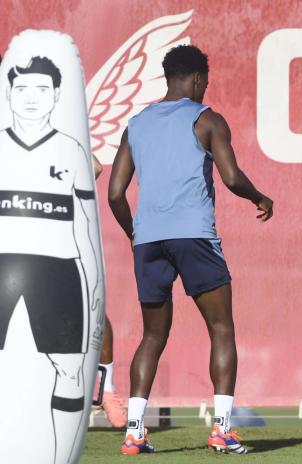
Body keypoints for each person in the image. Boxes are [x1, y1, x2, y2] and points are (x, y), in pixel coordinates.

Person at [108, 44, 273, 455]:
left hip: (148, 241)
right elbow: (232, 177)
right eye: (206, 83)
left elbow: (114, 194)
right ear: (199, 79)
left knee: (151, 336)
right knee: (221, 329)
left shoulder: (136, 124)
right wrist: (260, 198)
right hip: (194, 237)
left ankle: (133, 433)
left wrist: (135, 232)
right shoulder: (206, 119)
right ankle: (221, 429)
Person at [0, 56, 103, 463]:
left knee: (68, 368)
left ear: (57, 96)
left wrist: (94, 282)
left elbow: (88, 195)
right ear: (9, 93)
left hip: (59, 268)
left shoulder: (70, 148)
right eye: (22, 89)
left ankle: (60, 455)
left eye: (42, 89)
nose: (30, 98)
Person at [90, 156, 128, 428]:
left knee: (93, 311)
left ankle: (107, 389)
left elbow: (95, 167)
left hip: (55, 232)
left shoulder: (56, 138)